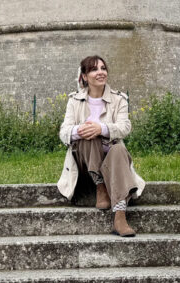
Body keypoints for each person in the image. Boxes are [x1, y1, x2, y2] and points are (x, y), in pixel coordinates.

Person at [57, 55, 145, 237]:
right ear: (84, 76)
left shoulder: (119, 99)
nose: (100, 72)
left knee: (118, 148)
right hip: (85, 164)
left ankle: (120, 217)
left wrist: (102, 128)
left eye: (103, 68)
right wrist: (81, 130)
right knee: (89, 135)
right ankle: (100, 186)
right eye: (94, 69)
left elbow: (124, 127)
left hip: (113, 162)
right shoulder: (74, 100)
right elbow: (64, 132)